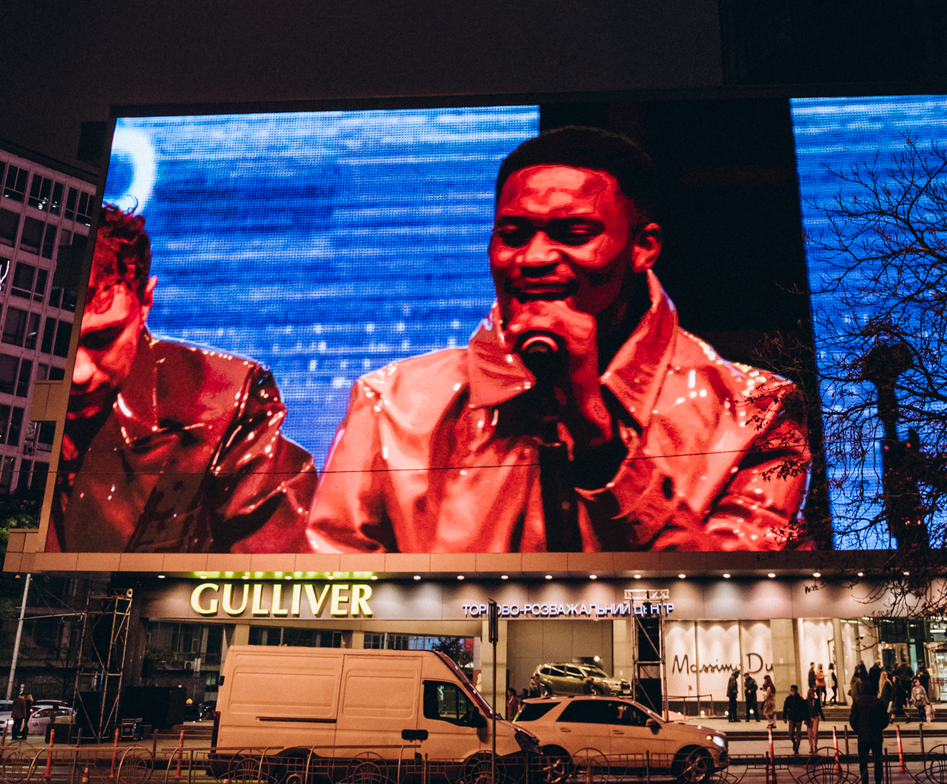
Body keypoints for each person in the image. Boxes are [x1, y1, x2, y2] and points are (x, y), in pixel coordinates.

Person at [308, 127, 811, 552]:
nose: (534, 258)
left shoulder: (757, 414)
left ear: (643, 247)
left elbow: (740, 609)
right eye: (513, 234)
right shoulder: (390, 403)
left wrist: (601, 447)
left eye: (573, 232)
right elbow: (332, 606)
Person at [49, 205, 318, 553]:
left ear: (146, 302)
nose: (79, 373)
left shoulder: (230, 401)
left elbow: (278, 576)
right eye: (58, 342)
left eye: (103, 339)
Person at [849, 682, 890, 784]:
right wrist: (879, 727)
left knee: (863, 762)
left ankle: (865, 781)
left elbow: (853, 720)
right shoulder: (878, 702)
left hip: (863, 736)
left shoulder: (857, 702)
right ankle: (878, 781)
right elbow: (885, 719)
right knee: (878, 761)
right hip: (876, 736)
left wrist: (858, 730)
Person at [783, 685, 810, 755]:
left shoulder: (800, 699)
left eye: (793, 690)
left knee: (798, 735)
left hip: (799, 718)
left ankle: (797, 748)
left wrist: (805, 719)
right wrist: (784, 717)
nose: (792, 691)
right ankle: (794, 743)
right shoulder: (788, 699)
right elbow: (785, 708)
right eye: (791, 690)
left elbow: (805, 709)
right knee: (790, 733)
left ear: (796, 690)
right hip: (791, 718)